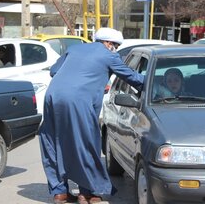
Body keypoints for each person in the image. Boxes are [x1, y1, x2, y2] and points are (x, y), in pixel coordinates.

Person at [38, 28, 144, 204]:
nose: (115, 50)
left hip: (52, 96)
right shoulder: (109, 56)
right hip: (77, 100)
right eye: (115, 46)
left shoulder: (75, 49)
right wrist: (155, 83)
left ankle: (60, 192)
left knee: (53, 141)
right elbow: (132, 77)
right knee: (84, 143)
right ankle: (86, 193)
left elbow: (54, 71)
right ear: (108, 43)